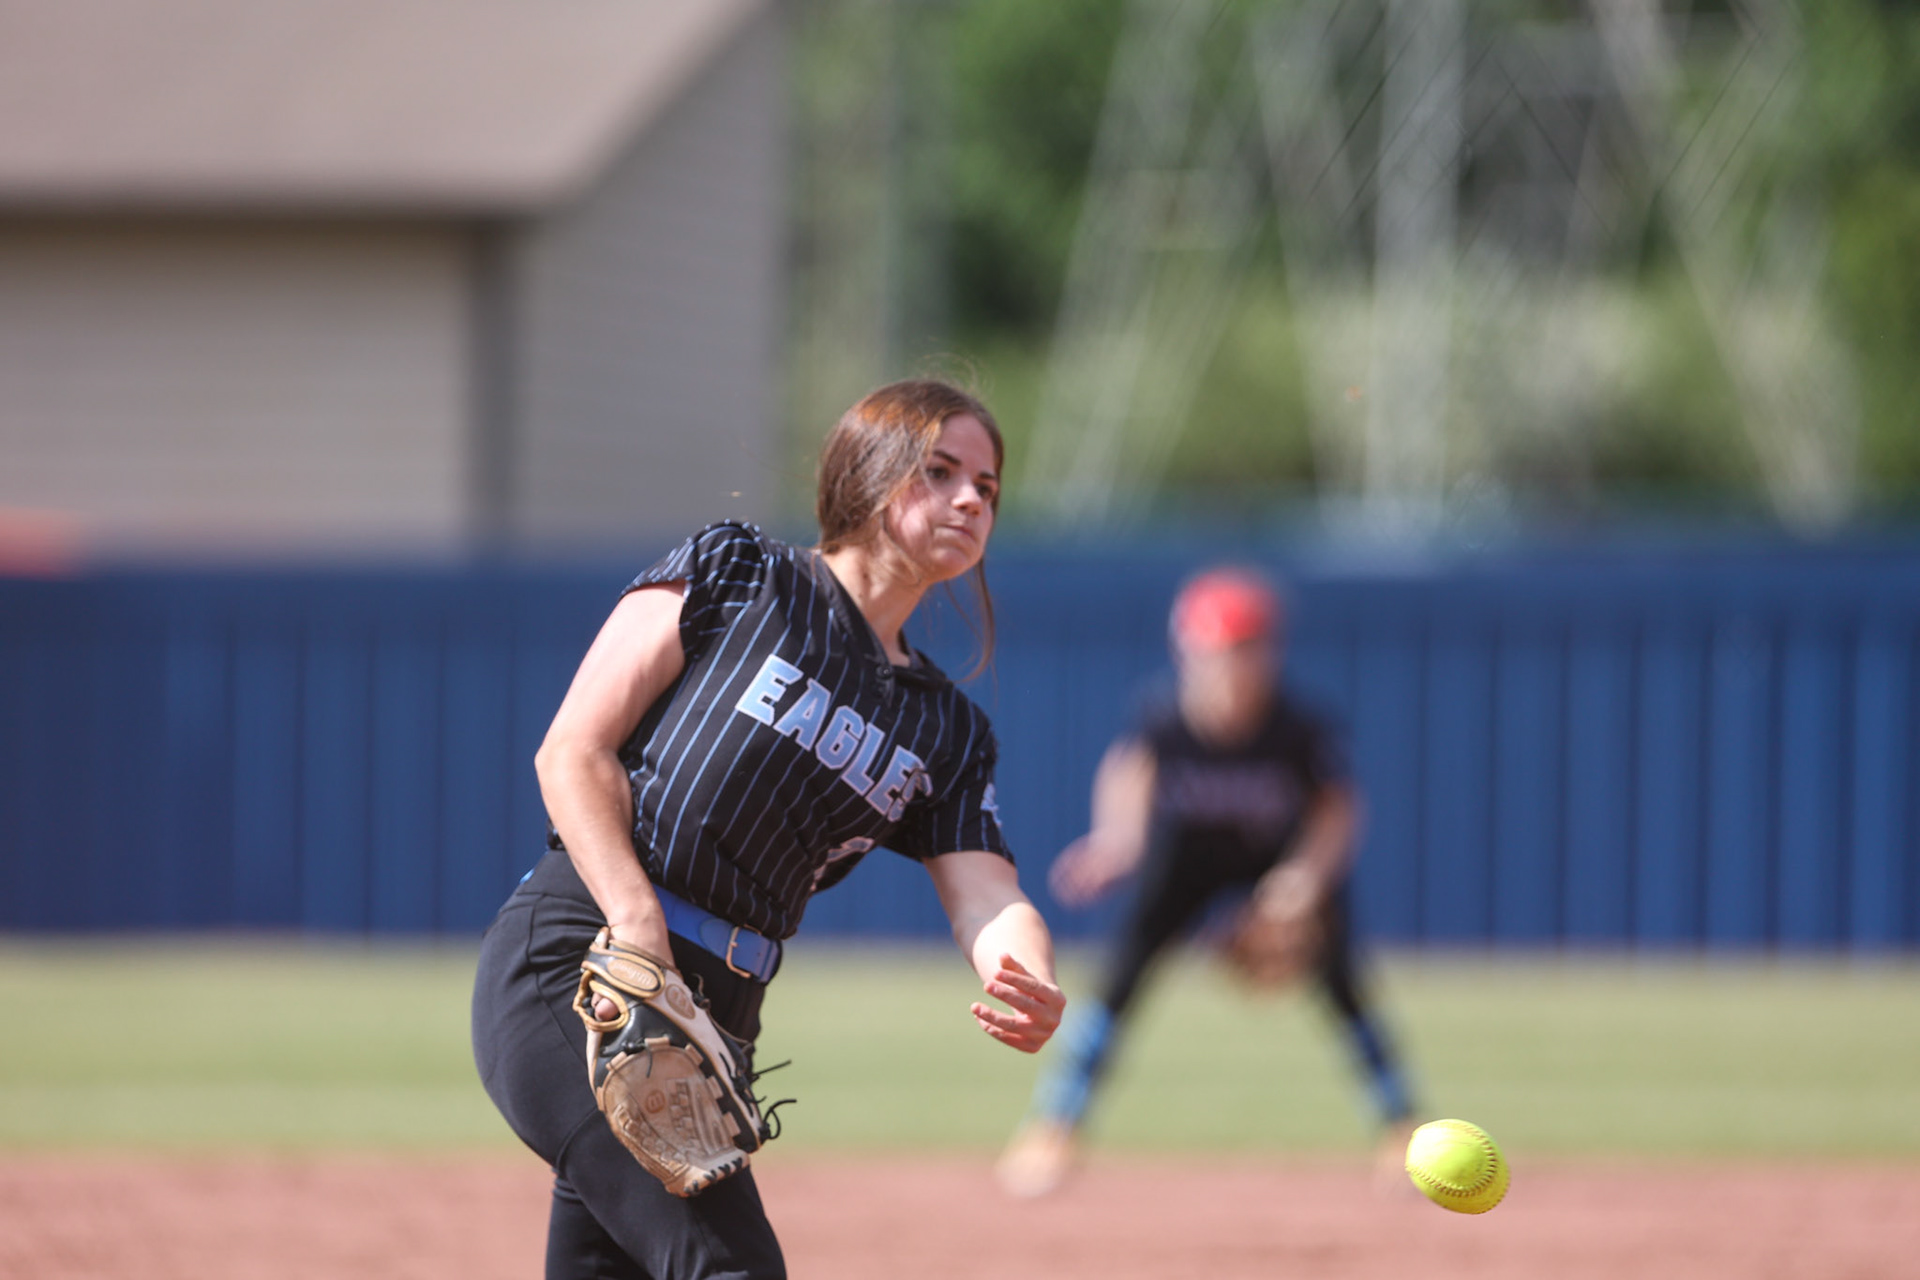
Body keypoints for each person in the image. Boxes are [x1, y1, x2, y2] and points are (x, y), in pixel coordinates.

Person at [473, 379, 1065, 1280]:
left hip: (717, 1021)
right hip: (589, 967)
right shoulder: (742, 571)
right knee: (730, 1267)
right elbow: (573, 752)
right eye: (940, 471)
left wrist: (1027, 973)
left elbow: (987, 889)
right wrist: (636, 925)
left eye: (987, 485)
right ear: (869, 476)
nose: (970, 499)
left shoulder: (945, 727)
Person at [994, 565, 1415, 1198]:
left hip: (1278, 864)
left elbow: (1338, 809)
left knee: (1344, 986)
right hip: (1184, 861)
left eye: (1248, 649)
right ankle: (1053, 1129)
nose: (1233, 666)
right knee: (1118, 985)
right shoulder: (1165, 718)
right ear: (1187, 650)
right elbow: (1129, 771)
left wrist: (1302, 879)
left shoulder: (1296, 726)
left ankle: (1400, 1128)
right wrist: (1118, 843)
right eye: (1218, 651)